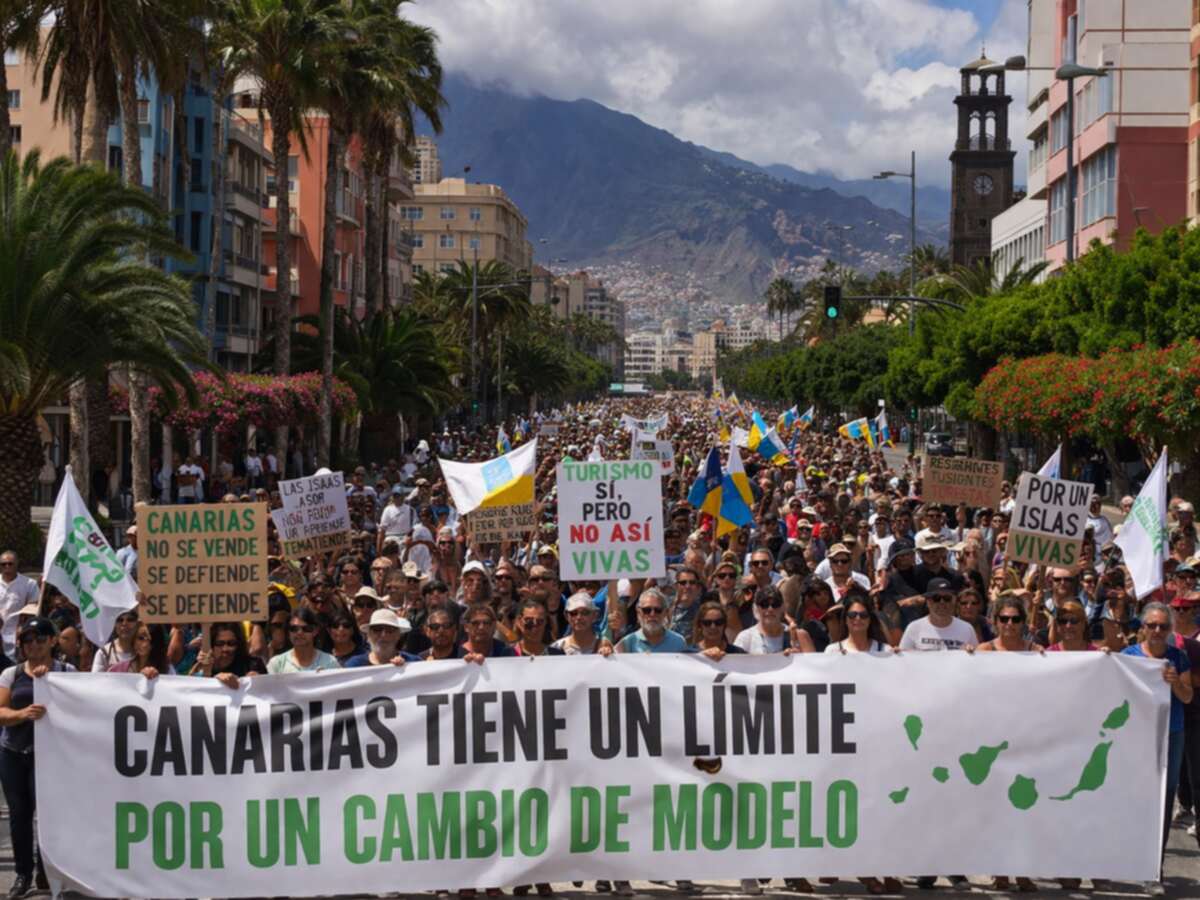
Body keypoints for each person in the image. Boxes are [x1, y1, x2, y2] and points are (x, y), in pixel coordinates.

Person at [1123, 602, 1194, 896]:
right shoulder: (1128, 656)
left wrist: (1176, 682)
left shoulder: (1179, 657)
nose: (1156, 631)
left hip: (1170, 734)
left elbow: (1188, 697)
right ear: (1142, 627)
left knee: (1163, 800)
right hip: (1134, 735)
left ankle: (1154, 869)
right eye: (1151, 625)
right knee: (1133, 798)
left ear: (1170, 629)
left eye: (1163, 626)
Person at [0, 617, 72, 897]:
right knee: (20, 816)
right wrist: (22, 714)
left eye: (39, 638)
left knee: (50, 816)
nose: (33, 645)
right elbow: (1, 712)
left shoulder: (67, 672)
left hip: (52, 758)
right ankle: (22, 873)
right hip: (15, 755)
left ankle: (48, 870)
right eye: (27, 640)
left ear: (53, 641)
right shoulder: (11, 674)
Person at [898, 578, 977, 652]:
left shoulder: (967, 629)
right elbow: (903, 661)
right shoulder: (914, 628)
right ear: (928, 602)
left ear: (954, 601)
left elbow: (976, 661)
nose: (942, 602)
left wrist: (971, 653)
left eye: (947, 598)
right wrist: (897, 654)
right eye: (936, 598)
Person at [267, 608, 341, 673]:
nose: (299, 633)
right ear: (288, 632)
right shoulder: (277, 664)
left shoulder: (330, 662)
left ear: (315, 631)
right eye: (294, 629)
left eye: (306, 629)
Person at [616, 589, 688, 653]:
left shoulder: (678, 642)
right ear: (638, 612)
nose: (652, 614)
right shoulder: (627, 643)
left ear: (665, 612)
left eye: (658, 610)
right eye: (646, 610)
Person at [195, 623, 267, 687]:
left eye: (231, 643)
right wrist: (215, 680)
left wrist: (259, 682)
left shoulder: (253, 664)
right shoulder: (203, 666)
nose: (225, 649)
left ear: (239, 645)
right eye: (220, 644)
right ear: (212, 645)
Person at [735, 585, 800, 654]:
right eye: (764, 604)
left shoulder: (794, 634)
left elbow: (809, 661)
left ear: (783, 607)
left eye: (775, 604)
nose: (770, 609)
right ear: (756, 608)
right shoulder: (745, 638)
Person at [345, 609, 419, 666]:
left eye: (389, 630)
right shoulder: (355, 664)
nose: (383, 635)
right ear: (369, 634)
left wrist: (406, 669)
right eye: (377, 629)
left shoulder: (413, 663)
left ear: (398, 635)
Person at [824, 595, 892, 656]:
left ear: (869, 620)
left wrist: (898, 657)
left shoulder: (886, 651)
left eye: (863, 615)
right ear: (845, 620)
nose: (858, 618)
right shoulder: (832, 651)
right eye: (852, 615)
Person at [0, 552, 38, 660]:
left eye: (10, 563)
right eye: (3, 564)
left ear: (17, 563)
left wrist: (24, 627)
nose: (7, 566)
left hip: (18, 634)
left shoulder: (29, 584)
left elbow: (33, 608)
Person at [977, 595, 1043, 653]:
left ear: (1023, 622)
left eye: (1016, 619)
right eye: (1004, 619)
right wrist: (968, 654)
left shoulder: (1034, 651)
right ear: (995, 621)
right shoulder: (983, 650)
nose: (1010, 623)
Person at [109, 623, 174, 677]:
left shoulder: (167, 670)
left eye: (142, 638)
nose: (143, 644)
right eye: (139, 638)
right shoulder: (118, 669)